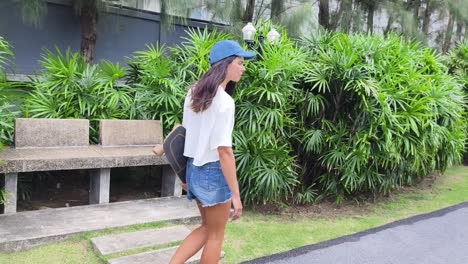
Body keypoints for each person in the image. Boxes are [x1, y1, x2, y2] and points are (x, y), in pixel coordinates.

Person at [169, 40, 255, 264]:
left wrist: (186, 176)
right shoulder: (225, 102)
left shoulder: (192, 94)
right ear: (224, 64)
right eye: (239, 62)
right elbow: (224, 152)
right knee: (216, 234)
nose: (242, 67)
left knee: (207, 228)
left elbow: (186, 135)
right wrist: (236, 195)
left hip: (194, 170)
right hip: (213, 173)